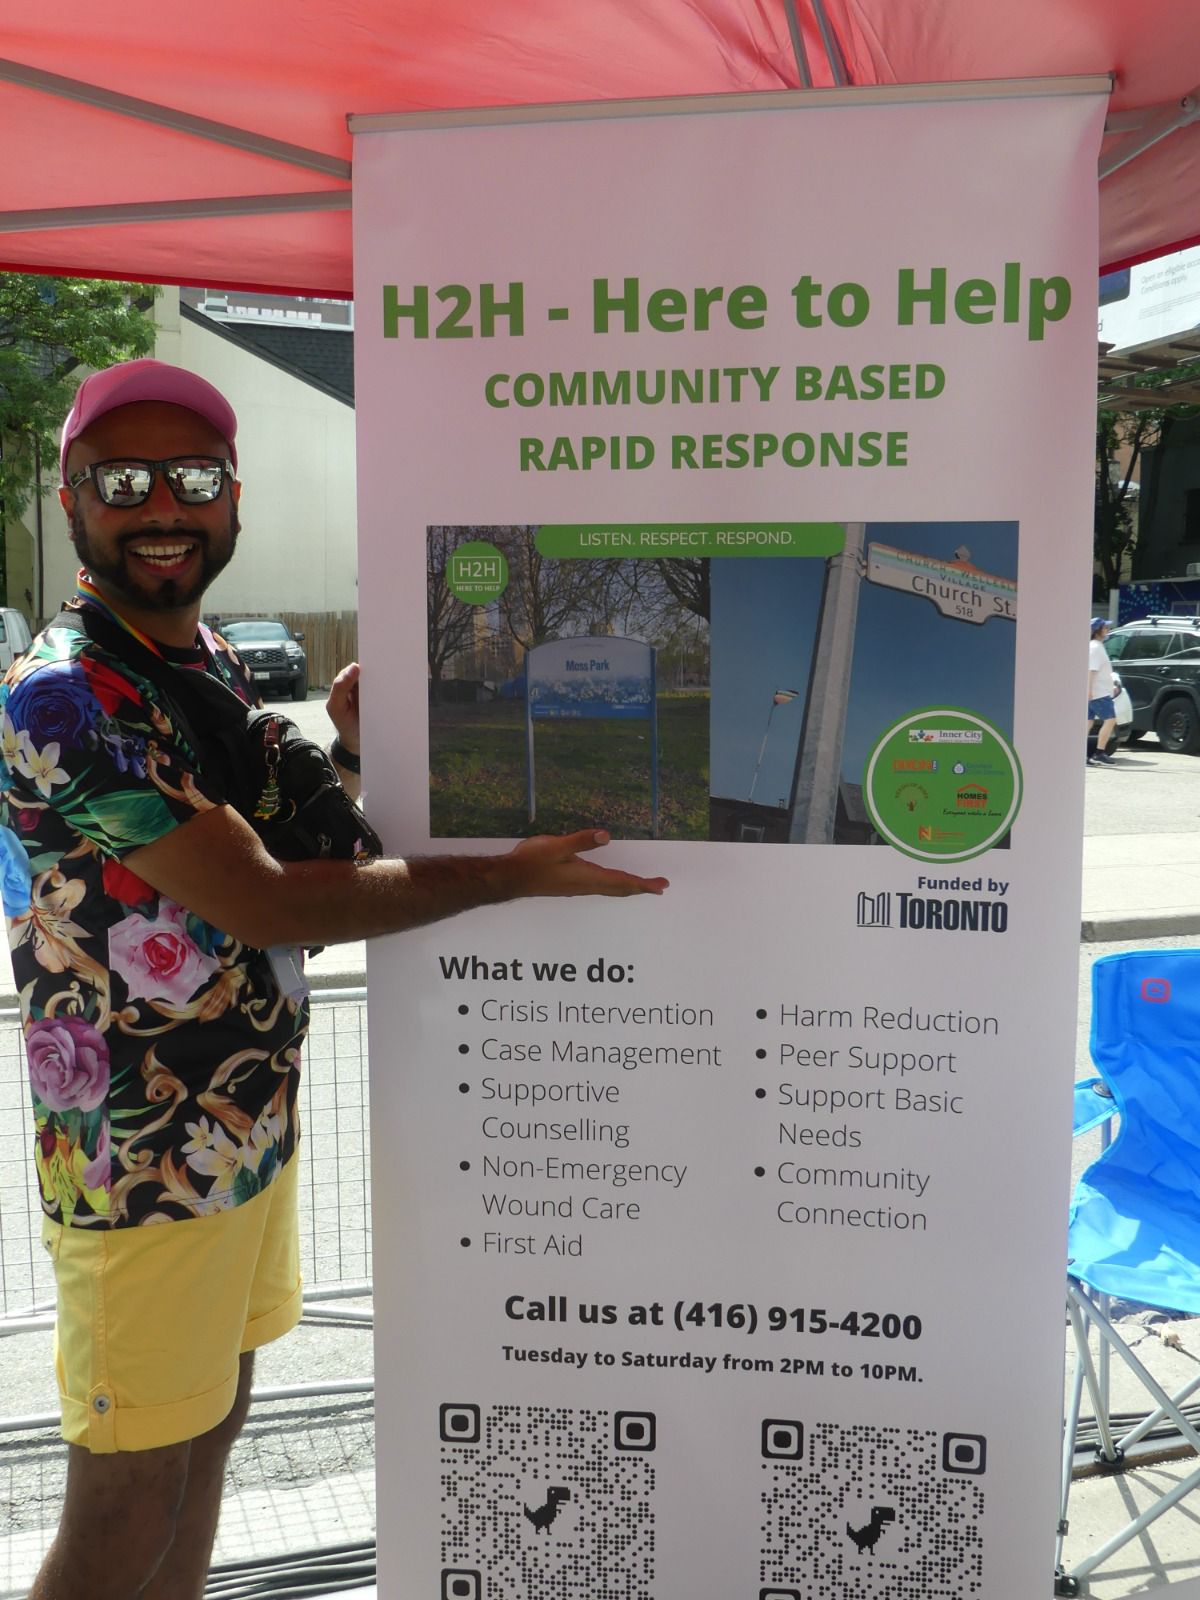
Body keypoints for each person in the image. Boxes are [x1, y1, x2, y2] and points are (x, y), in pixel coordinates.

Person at [0, 358, 669, 1600]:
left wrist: (354, 754)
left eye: (192, 477)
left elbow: (289, 850)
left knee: (205, 1445)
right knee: (121, 1515)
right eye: (123, 478)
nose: (161, 505)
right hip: (139, 1166)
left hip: (240, 1134)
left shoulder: (197, 660)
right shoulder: (63, 697)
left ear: (233, 494)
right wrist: (504, 877)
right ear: (72, 498)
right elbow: (258, 899)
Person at [1088, 616, 1120, 765]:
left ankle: (1080, 754)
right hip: (1098, 693)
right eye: (1105, 628)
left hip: (1096, 692)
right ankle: (1099, 753)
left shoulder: (1094, 646)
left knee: (1087, 723)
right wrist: (1089, 691)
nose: (1107, 630)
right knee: (1110, 720)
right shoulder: (1096, 648)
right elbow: (1091, 671)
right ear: (1097, 631)